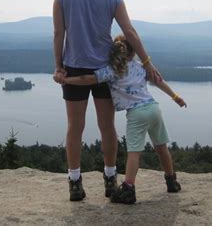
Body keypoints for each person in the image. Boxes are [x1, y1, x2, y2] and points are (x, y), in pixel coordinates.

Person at [53, 0, 162, 201]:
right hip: (106, 68)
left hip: (74, 66)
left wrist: (58, 67)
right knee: (107, 126)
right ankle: (111, 178)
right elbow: (130, 32)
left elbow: (59, 34)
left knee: (74, 127)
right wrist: (146, 62)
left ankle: (75, 183)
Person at [62, 34, 187, 204]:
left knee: (134, 153)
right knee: (161, 147)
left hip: (137, 115)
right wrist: (175, 96)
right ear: (133, 52)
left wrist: (66, 79)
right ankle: (171, 181)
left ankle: (128, 188)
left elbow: (88, 79)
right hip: (154, 108)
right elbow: (158, 80)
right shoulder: (141, 66)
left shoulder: (112, 71)